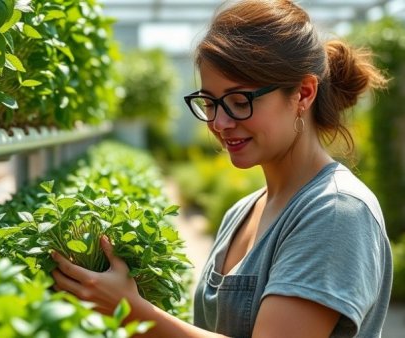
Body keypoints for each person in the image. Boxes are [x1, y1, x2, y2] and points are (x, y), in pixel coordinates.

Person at [51, 0, 393, 337]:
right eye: (210, 102)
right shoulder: (241, 212)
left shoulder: (336, 210)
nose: (219, 122)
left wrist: (131, 311)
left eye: (239, 102)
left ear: (303, 94)